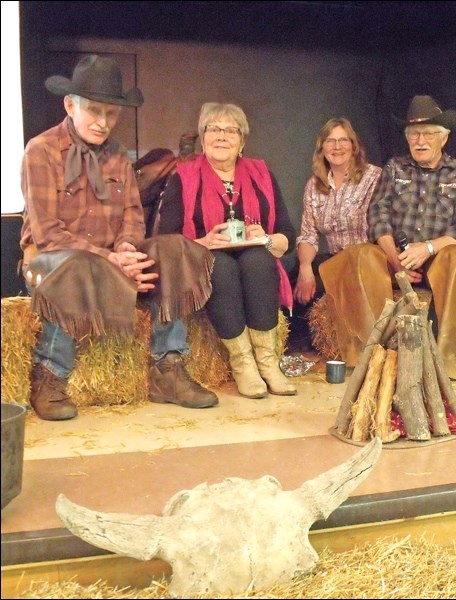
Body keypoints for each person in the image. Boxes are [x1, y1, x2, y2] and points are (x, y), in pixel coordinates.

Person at [20, 55, 218, 421]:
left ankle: (168, 367)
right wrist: (109, 259)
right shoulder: (41, 151)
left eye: (111, 114)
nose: (103, 122)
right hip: (57, 257)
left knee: (172, 248)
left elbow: (132, 216)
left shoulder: (118, 157)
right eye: (94, 111)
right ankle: (50, 374)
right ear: (70, 105)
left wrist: (127, 249)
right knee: (74, 265)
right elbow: (47, 234)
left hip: (111, 256)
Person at [319, 95, 456, 380]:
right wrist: (395, 260)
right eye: (414, 134)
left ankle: (448, 364)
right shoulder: (394, 168)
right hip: (396, 258)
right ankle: (369, 357)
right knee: (358, 255)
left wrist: (428, 248)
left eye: (428, 134)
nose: (420, 140)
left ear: (444, 138)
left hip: (439, 260)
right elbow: (377, 216)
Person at [158, 102, 297, 398]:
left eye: (230, 130)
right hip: (206, 263)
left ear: (242, 141)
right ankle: (243, 363)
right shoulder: (182, 178)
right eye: (213, 129)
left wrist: (267, 238)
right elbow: (165, 241)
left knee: (258, 260)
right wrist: (203, 242)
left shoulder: (263, 175)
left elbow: (288, 237)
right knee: (220, 264)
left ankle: (268, 362)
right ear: (203, 136)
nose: (221, 136)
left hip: (255, 261)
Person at [288, 118, 382, 351]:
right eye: (330, 141)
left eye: (343, 140)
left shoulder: (374, 177)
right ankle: (306, 354)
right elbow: (309, 234)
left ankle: (349, 351)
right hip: (334, 258)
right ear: (322, 148)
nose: (337, 147)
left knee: (330, 286)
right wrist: (305, 269)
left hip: (366, 262)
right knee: (292, 283)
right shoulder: (314, 185)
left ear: (354, 146)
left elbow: (383, 227)